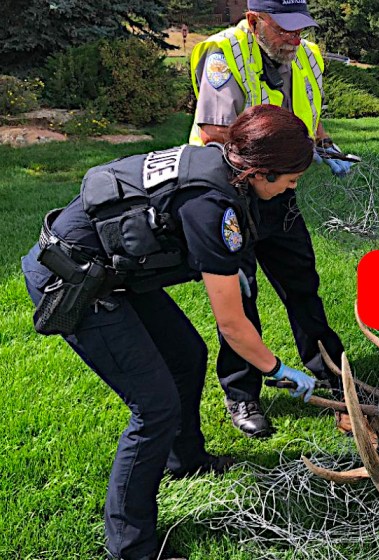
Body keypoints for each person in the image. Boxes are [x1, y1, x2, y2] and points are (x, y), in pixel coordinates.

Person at [21, 105, 318, 560]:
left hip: (112, 272)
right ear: (259, 172)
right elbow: (233, 326)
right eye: (290, 181)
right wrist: (278, 369)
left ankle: (186, 462)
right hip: (73, 282)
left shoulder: (221, 162)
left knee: (186, 355)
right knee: (153, 407)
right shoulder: (213, 207)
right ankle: (131, 546)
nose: (290, 190)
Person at [188, 0, 348, 438]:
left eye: (301, 30)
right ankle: (243, 393)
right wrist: (276, 161)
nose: (295, 39)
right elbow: (216, 133)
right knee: (241, 296)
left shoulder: (308, 56)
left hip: (280, 190)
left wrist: (325, 148)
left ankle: (330, 371)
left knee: (302, 283)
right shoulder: (225, 54)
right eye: (284, 30)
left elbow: (309, 118)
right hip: (233, 194)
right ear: (255, 21)